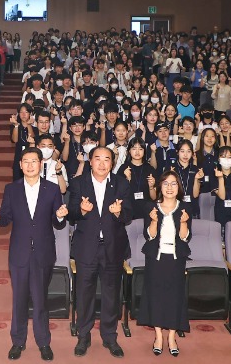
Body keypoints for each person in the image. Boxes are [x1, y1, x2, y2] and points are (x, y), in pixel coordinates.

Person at [0, 147, 67, 361]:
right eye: (26, 161)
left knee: (41, 300)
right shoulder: (11, 189)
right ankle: (18, 341)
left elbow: (58, 221)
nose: (30, 165)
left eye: (34, 161)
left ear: (41, 164)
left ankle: (43, 342)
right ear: (20, 165)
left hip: (43, 252)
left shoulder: (52, 189)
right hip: (19, 252)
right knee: (19, 299)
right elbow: (5, 218)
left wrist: (60, 216)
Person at [66, 146, 132, 358]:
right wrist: (81, 211)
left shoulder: (121, 183)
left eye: (106, 159)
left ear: (112, 163)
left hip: (113, 247)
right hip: (86, 247)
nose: (102, 164)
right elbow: (72, 213)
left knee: (111, 293)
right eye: (97, 159)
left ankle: (109, 336)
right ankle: (83, 336)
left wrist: (119, 212)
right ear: (90, 161)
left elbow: (130, 214)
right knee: (84, 294)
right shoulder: (78, 183)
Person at [138, 170, 191, 357]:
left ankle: (172, 337)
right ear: (160, 186)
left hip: (176, 259)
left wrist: (184, 223)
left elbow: (185, 238)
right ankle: (159, 336)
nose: (169, 187)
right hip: (156, 258)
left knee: (175, 297)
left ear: (179, 187)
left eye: (173, 183)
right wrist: (153, 220)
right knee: (156, 296)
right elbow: (149, 235)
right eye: (166, 183)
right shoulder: (151, 207)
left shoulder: (185, 208)